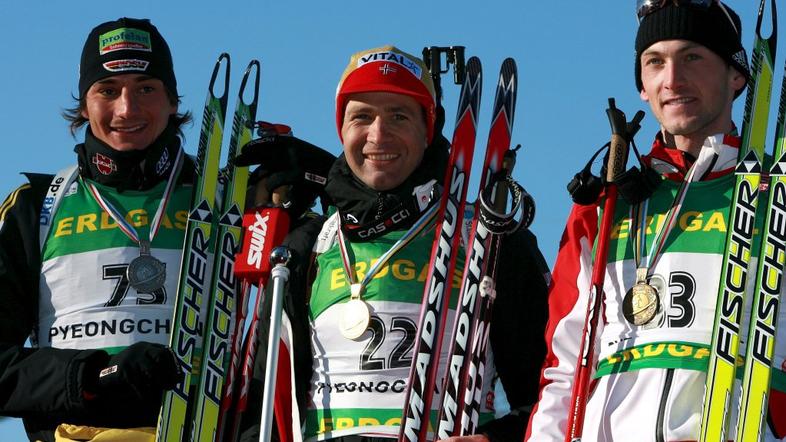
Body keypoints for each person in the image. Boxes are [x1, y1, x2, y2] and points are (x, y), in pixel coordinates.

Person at [240, 45, 550, 442]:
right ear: (342, 129)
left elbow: (552, 393)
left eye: (399, 116)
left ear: (428, 130)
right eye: (362, 117)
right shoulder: (307, 246)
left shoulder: (491, 240)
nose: (378, 135)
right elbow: (262, 407)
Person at [526, 2, 786, 441]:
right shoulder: (606, 201)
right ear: (642, 86)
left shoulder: (774, 196)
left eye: (693, 57)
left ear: (736, 75)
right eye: (655, 62)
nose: (673, 79)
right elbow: (564, 365)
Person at [0, 18, 188, 441]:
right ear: (84, 104)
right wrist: (89, 375)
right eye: (108, 90)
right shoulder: (37, 207)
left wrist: (321, 182)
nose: (127, 109)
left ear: (172, 100)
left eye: (145, 88)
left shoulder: (231, 199)